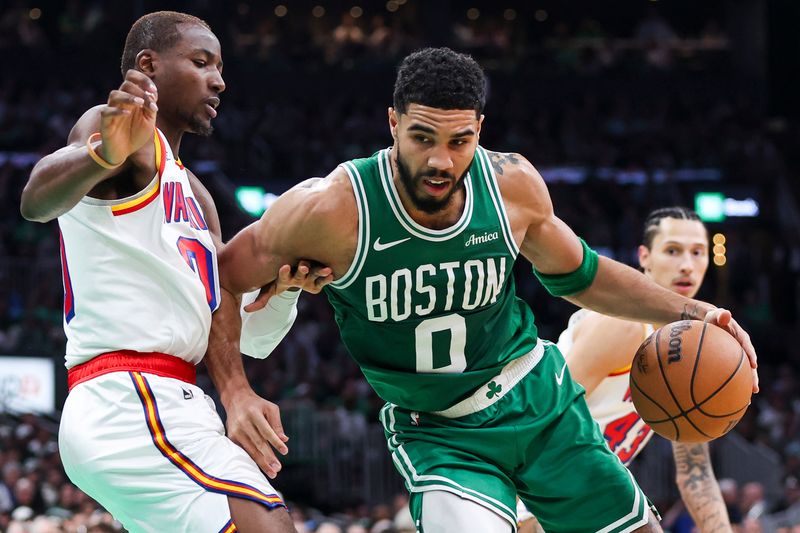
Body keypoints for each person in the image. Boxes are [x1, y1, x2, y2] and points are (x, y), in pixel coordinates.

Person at [217, 48, 758, 532]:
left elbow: (584, 275)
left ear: (480, 126)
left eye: (460, 141)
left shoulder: (509, 185)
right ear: (392, 123)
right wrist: (236, 389)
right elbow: (220, 276)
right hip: (443, 434)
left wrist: (693, 310)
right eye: (422, 138)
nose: (440, 161)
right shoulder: (332, 209)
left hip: (540, 403)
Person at [20, 11, 330, 533]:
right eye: (201, 61)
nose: (219, 79)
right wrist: (101, 155)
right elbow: (36, 200)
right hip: (129, 395)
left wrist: (282, 293)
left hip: (176, 401)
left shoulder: (199, 197)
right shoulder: (115, 131)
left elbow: (239, 335)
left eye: (221, 67)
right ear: (150, 66)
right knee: (266, 524)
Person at [517, 207, 734, 533]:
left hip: (580, 492)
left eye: (697, 252)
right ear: (644, 256)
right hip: (530, 490)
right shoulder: (624, 325)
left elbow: (697, 476)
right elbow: (544, 418)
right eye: (672, 251)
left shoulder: (689, 352)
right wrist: (535, 518)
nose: (687, 264)